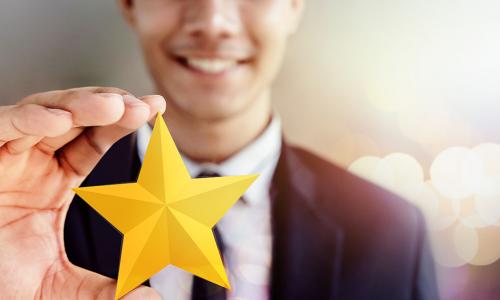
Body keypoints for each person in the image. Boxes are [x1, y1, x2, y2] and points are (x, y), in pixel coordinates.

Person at [0, 0, 438, 299]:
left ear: (294, 6)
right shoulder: (28, 217)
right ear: (129, 4)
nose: (212, 21)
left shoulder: (393, 235)